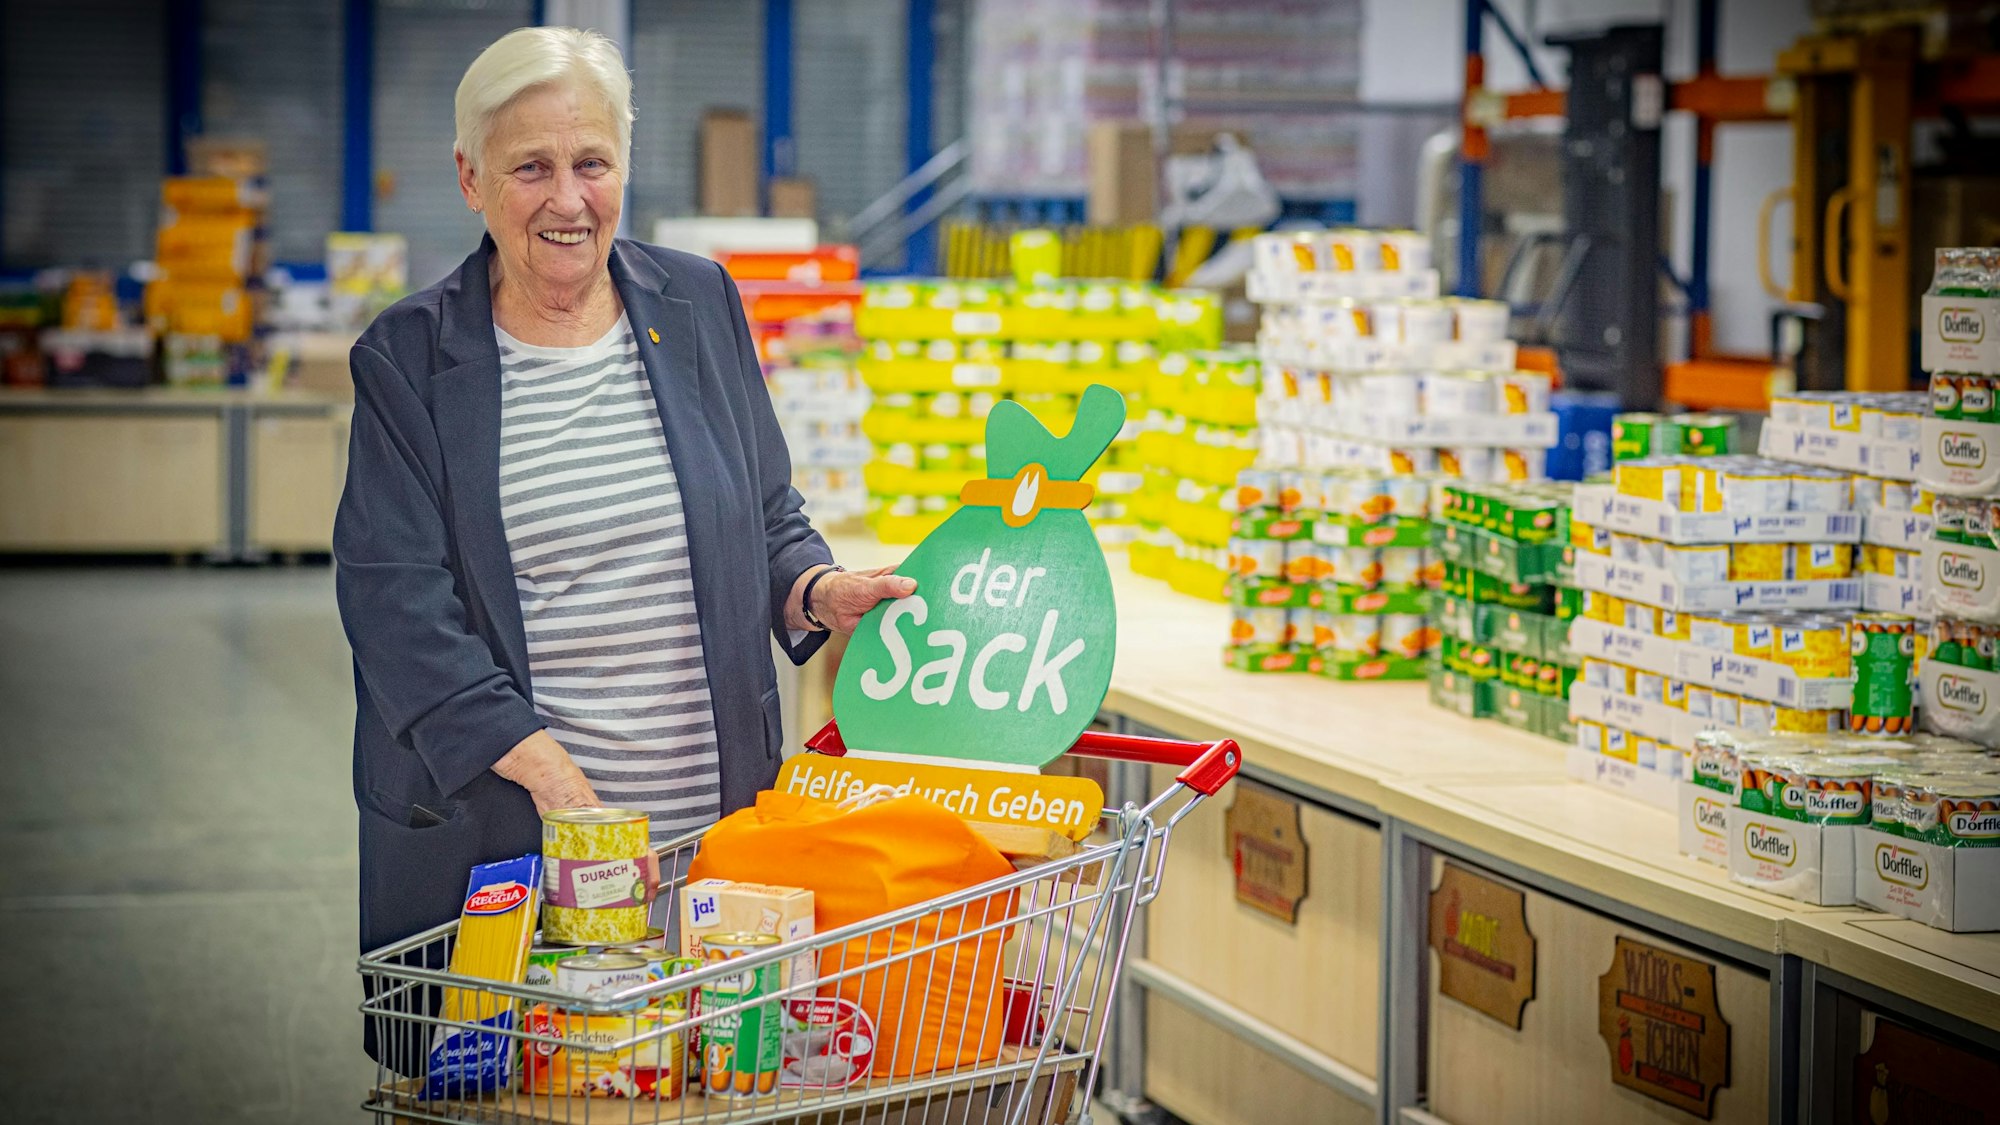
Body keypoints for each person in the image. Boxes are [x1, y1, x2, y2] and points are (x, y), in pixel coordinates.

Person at [334, 26, 910, 1058]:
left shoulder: (698, 302)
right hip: (512, 850)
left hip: (705, 850)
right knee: (519, 1096)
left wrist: (814, 587)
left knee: (703, 1084)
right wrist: (563, 793)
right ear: (470, 178)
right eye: (530, 167)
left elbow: (762, 511)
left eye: (591, 162)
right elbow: (395, 605)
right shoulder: (406, 359)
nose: (568, 199)